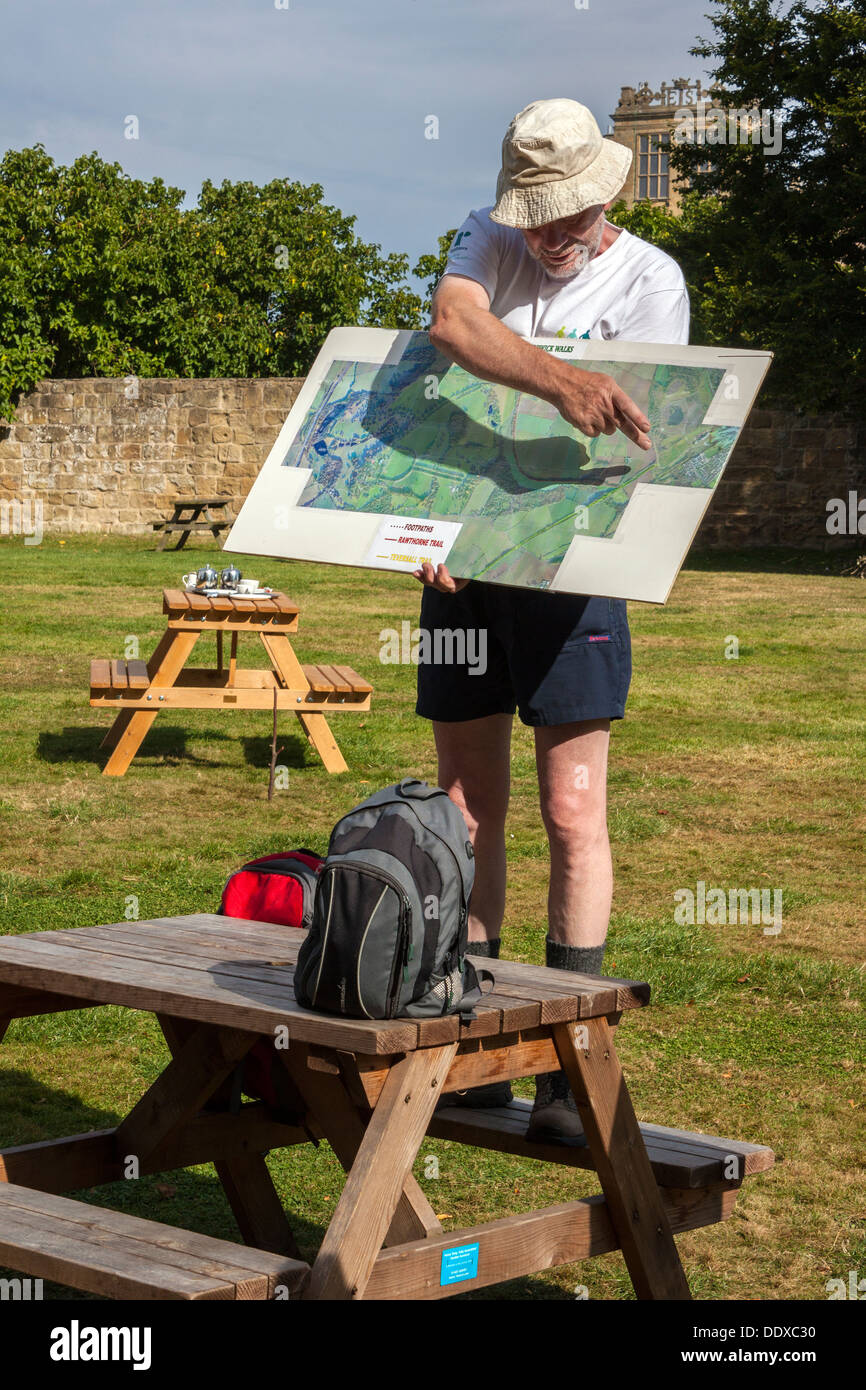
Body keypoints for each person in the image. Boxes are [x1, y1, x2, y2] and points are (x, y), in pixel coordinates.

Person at [413, 98, 690, 1142]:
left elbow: (632, 443)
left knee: (573, 815)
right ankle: (475, 1048)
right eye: (535, 218)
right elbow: (452, 326)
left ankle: (570, 1071)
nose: (550, 237)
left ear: (605, 195)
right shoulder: (482, 235)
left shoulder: (650, 280)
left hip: (577, 568)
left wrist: (560, 399)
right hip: (455, 571)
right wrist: (560, 379)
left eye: (569, 217)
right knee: (461, 807)